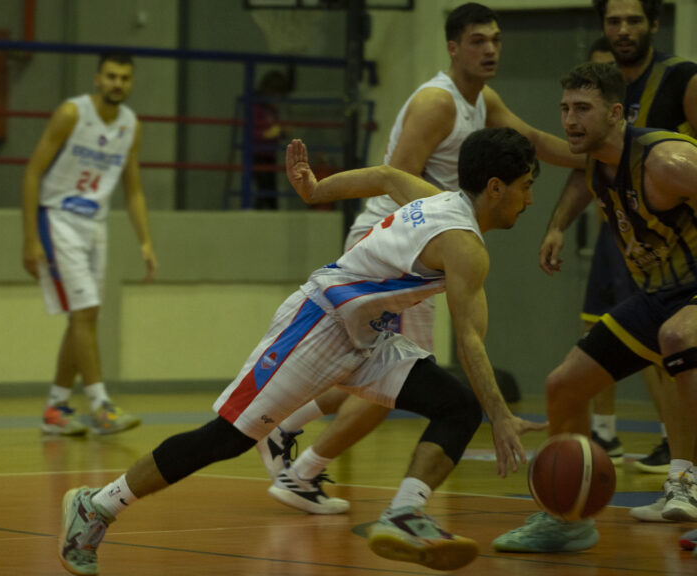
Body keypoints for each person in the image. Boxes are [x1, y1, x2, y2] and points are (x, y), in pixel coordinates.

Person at [58, 127, 547, 575]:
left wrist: (317, 191)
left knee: (458, 406)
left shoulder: (441, 203)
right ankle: (97, 505)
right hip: (320, 323)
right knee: (227, 438)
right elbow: (469, 340)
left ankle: (403, 514)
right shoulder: (465, 246)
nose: (530, 199)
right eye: (526, 186)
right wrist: (502, 416)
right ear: (496, 187)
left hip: (367, 337)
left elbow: (386, 176)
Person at [255, 2, 583, 515]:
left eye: (496, 39)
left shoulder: (483, 99)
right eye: (477, 40)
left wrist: (601, 155)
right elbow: (396, 177)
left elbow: (535, 141)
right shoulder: (437, 103)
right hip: (400, 246)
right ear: (452, 48)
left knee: (370, 368)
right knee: (405, 378)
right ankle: (301, 471)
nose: (490, 49)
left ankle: (284, 431)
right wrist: (439, 239)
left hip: (422, 248)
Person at [491, 61, 697, 553]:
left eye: (582, 108)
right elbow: (541, 146)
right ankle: (568, 519)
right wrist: (556, 226)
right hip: (658, 296)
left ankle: (687, 480)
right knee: (563, 386)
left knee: (678, 337)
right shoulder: (593, 159)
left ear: (617, 113)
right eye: (565, 108)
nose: (570, 120)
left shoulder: (667, 162)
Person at [585, 0, 697, 485]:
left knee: (674, 340)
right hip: (631, 234)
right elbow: (576, 159)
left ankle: (681, 459)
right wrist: (556, 224)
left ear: (654, 23)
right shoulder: (608, 89)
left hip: (683, 246)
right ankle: (615, 438)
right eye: (614, 20)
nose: (623, 29)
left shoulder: (682, 78)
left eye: (634, 19)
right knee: (633, 343)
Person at [21, 52, 157, 436]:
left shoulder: (130, 125)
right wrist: (30, 238)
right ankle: (101, 405)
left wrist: (145, 241)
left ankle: (56, 408)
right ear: (97, 78)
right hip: (58, 218)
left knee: (84, 316)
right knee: (85, 311)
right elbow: (32, 174)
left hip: (95, 225)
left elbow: (133, 190)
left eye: (125, 78)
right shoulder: (71, 114)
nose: (118, 83)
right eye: (111, 76)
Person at [251, 70, 290, 210]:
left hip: (270, 155)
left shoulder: (272, 111)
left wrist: (282, 132)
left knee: (270, 190)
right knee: (264, 189)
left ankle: (269, 211)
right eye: (275, 96)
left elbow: (275, 129)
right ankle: (261, 211)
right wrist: (269, 133)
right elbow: (253, 132)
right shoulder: (256, 108)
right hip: (258, 155)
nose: (278, 100)